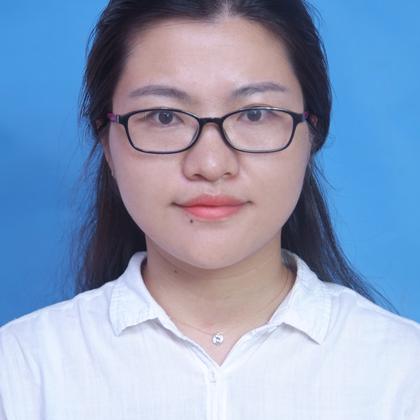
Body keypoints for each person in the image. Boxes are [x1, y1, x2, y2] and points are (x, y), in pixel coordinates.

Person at [0, 0, 419, 419]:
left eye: (255, 114)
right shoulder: (21, 371)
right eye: (164, 117)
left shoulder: (402, 374)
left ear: (313, 133)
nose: (211, 164)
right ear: (106, 142)